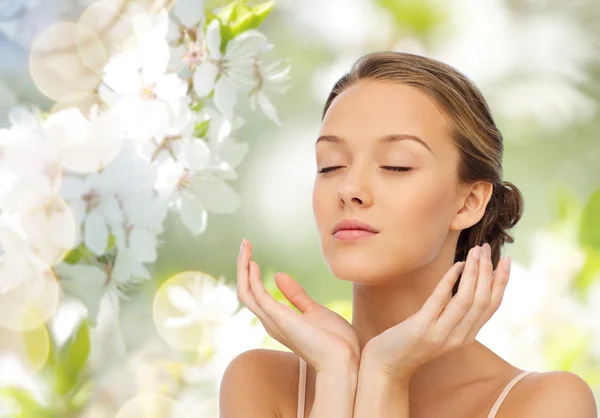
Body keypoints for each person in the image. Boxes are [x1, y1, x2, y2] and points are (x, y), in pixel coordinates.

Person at [219, 51, 598, 418]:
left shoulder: (546, 404)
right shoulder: (260, 382)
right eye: (330, 165)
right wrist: (338, 374)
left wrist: (387, 374)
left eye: (396, 166)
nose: (349, 188)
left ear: (468, 202)